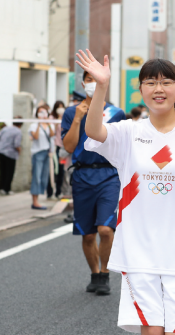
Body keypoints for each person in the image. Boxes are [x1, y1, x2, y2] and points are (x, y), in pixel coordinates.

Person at [76, 52, 175, 335]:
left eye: (166, 82)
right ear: (141, 89)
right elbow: (94, 132)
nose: (158, 89)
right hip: (139, 250)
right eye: (150, 82)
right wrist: (101, 85)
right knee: (152, 331)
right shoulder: (129, 133)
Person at [61, 69, 126, 296]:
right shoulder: (71, 112)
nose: (92, 84)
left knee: (105, 230)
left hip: (109, 176)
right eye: (89, 80)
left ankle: (105, 274)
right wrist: (78, 118)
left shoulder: (117, 113)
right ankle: (95, 274)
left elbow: (123, 146)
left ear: (104, 84)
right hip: (82, 176)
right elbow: (68, 147)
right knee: (88, 234)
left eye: (96, 81)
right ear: (83, 83)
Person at [29, 105, 54, 209]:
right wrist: (39, 123)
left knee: (44, 177)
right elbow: (35, 137)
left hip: (46, 152)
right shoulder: (34, 125)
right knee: (36, 176)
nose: (43, 114)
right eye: (40, 112)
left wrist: (47, 123)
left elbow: (52, 135)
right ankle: (35, 202)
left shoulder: (49, 125)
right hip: (37, 153)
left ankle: (38, 200)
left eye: (44, 112)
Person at [0, 117, 23, 195]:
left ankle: (2, 188)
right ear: (21, 124)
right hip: (10, 154)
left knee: (3, 171)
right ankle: (6, 189)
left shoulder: (5, 129)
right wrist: (20, 150)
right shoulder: (18, 131)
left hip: (1, 152)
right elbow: (17, 144)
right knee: (10, 172)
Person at [50, 101, 67, 199]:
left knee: (62, 170)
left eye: (62, 107)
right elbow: (52, 131)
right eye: (58, 107)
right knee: (54, 169)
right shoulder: (53, 118)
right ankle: (51, 191)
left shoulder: (66, 117)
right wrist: (58, 120)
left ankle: (59, 191)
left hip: (64, 148)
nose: (60, 109)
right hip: (56, 147)